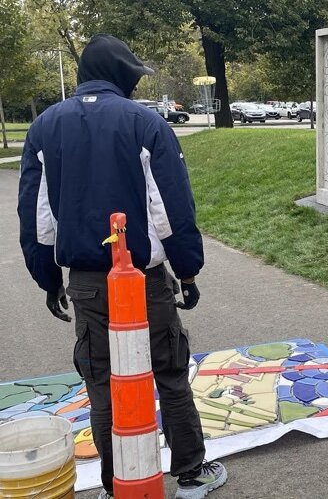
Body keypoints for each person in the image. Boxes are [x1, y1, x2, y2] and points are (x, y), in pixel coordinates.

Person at [17, 35, 226, 498]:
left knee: (103, 380)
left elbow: (37, 219)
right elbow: (170, 207)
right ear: (121, 77)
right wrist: (187, 271)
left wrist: (48, 280)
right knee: (168, 370)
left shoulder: (45, 127)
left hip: (88, 283)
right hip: (144, 279)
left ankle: (117, 482)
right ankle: (190, 470)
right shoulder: (144, 123)